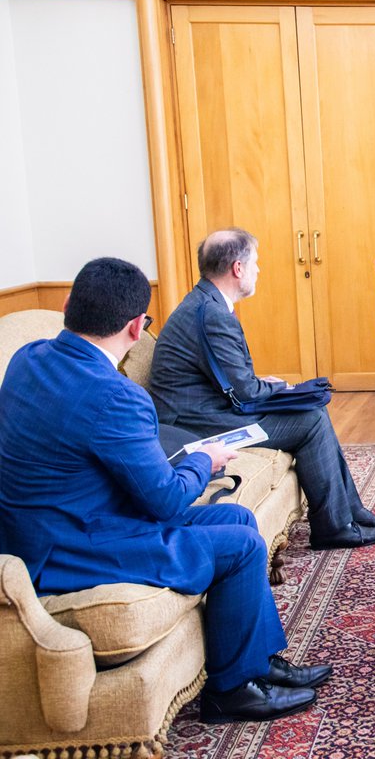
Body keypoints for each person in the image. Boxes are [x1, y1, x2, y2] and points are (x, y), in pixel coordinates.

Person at [0, 258, 331, 723]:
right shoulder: (116, 395)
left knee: (236, 518)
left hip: (55, 523)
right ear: (137, 328)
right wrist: (203, 460)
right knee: (238, 543)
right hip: (73, 546)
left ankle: (256, 662)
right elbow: (167, 500)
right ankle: (231, 691)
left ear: (67, 305)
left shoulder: (28, 358)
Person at [150, 228, 375, 551]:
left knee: (311, 408)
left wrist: (274, 387)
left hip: (205, 410)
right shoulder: (212, 313)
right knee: (308, 419)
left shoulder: (205, 302)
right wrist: (276, 389)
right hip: (196, 425)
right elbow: (246, 391)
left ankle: (351, 512)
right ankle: (333, 528)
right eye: (255, 262)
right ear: (237, 268)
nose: (259, 269)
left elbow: (231, 379)